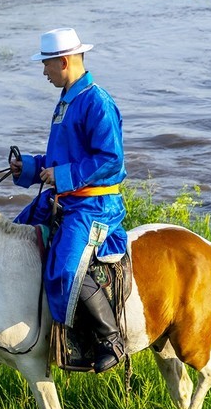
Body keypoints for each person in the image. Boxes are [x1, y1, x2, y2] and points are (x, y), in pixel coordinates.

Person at [9, 28, 128, 373]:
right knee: (14, 236)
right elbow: (59, 159)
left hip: (94, 205)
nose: (44, 71)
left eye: (46, 64)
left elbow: (111, 160)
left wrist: (62, 176)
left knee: (64, 269)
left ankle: (111, 340)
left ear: (63, 62)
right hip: (66, 200)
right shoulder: (66, 101)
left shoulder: (97, 102)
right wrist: (29, 168)